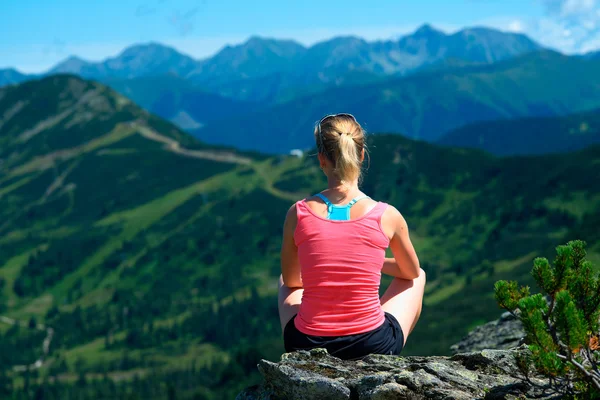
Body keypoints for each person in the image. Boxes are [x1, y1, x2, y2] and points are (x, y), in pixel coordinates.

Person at [278, 113, 426, 360]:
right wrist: (369, 265)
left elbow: (293, 280)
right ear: (361, 156)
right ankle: (383, 359)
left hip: (305, 344)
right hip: (372, 344)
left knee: (284, 279)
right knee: (418, 276)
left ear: (322, 160)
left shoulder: (298, 212)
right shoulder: (387, 215)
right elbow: (410, 272)